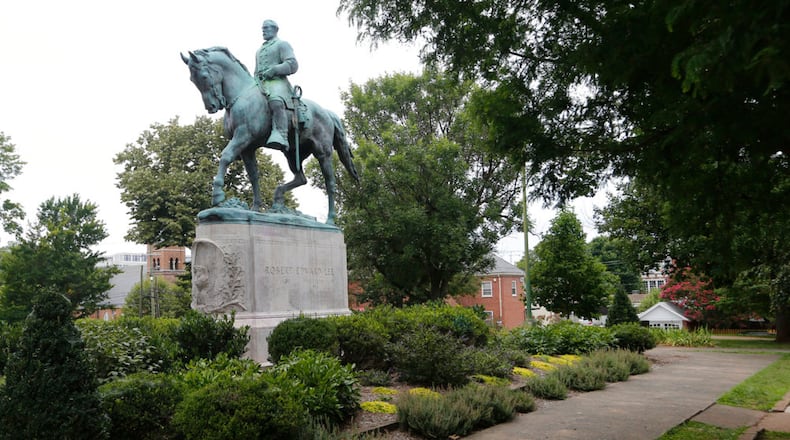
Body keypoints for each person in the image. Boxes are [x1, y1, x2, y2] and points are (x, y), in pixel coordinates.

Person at [254, 19, 298, 151]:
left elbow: (292, 64)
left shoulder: (282, 44)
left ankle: (281, 134)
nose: (263, 30)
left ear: (275, 29)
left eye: (266, 28)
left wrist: (274, 70)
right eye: (263, 28)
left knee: (276, 101)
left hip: (278, 82)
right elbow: (256, 70)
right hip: (261, 83)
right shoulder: (259, 50)